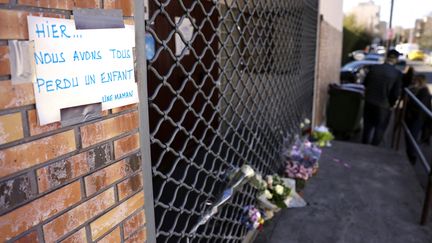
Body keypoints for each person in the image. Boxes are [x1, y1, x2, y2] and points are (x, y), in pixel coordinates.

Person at [362, 49, 402, 145]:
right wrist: (392, 104)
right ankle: (374, 148)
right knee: (380, 128)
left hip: (369, 101)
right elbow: (395, 93)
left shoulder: (374, 68)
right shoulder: (397, 73)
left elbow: (365, 83)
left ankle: (363, 145)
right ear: (396, 59)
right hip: (384, 105)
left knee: (367, 125)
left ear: (386, 57)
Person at [404, 74, 432, 164]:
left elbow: (419, 107)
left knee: (412, 137)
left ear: (419, 81)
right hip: (414, 118)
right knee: (409, 136)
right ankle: (410, 154)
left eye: (415, 80)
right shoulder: (417, 89)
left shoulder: (424, 92)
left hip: (417, 119)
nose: (413, 82)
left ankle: (412, 156)